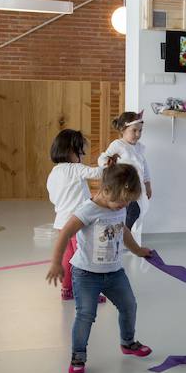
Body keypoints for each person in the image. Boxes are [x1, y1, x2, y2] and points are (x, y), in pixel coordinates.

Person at [46, 164, 153, 373]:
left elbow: (124, 232)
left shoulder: (120, 207)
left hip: (114, 272)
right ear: (105, 190)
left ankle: (128, 342)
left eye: (127, 202)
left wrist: (139, 250)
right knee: (86, 314)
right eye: (120, 201)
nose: (123, 206)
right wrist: (57, 263)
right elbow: (65, 233)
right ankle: (78, 356)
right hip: (86, 274)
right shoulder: (88, 210)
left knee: (129, 305)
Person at [46, 129, 110, 301]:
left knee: (68, 256)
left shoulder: (53, 173)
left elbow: (53, 198)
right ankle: (88, 293)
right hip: (79, 222)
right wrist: (107, 162)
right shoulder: (76, 169)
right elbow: (97, 173)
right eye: (79, 151)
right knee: (85, 257)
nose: (82, 156)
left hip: (61, 222)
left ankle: (67, 290)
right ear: (70, 151)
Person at [98, 111, 152, 232]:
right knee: (131, 211)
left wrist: (148, 184)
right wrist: (107, 162)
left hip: (136, 186)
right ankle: (121, 233)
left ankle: (122, 234)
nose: (138, 134)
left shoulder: (139, 147)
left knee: (135, 211)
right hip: (123, 186)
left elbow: (144, 167)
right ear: (123, 129)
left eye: (140, 130)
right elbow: (103, 157)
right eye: (134, 130)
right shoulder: (118, 145)